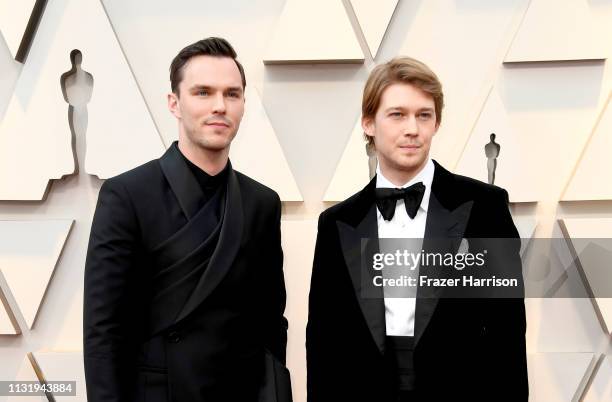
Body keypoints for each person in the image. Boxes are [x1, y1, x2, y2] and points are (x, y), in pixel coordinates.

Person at [306, 57, 527, 401]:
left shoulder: (485, 209)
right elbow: (324, 344)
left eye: (424, 115)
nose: (413, 129)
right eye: (397, 115)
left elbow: (507, 337)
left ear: (436, 122)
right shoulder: (337, 223)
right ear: (368, 123)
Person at [84, 37, 290, 402]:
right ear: (174, 103)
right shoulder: (126, 196)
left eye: (232, 94)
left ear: (243, 103)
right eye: (203, 92)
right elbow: (103, 332)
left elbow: (270, 324)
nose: (219, 106)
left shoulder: (263, 203)